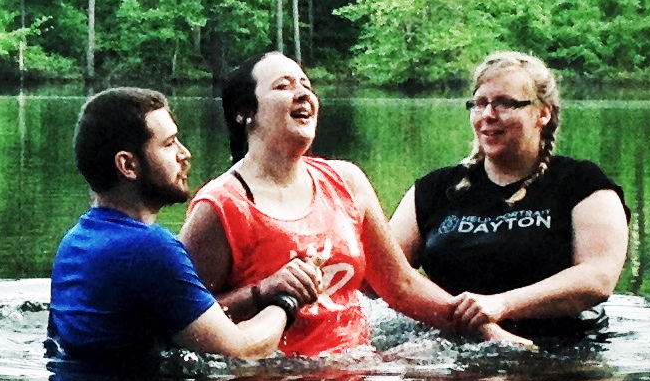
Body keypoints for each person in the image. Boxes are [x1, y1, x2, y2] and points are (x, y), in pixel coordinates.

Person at [179, 51, 502, 356]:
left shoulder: (347, 182)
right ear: (244, 113)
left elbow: (402, 286)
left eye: (306, 85)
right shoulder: (221, 205)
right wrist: (261, 292)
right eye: (283, 86)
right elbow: (179, 318)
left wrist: (486, 330)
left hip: (357, 367)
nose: (303, 94)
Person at [48, 87, 311, 361]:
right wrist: (287, 300)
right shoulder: (148, 248)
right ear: (128, 165)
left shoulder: (75, 243)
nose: (184, 153)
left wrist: (264, 291)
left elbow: (188, 317)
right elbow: (243, 350)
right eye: (169, 144)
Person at [390, 49, 628, 330]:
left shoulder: (582, 184)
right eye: (480, 103)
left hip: (560, 346)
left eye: (505, 103)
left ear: (543, 113)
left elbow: (598, 278)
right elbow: (381, 274)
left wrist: (502, 305)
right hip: (449, 344)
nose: (488, 115)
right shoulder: (435, 189)